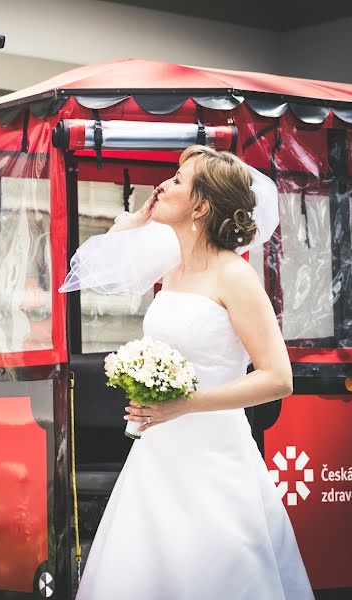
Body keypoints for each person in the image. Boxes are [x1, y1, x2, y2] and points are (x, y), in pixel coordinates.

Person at [65, 145, 313, 599]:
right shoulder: (173, 270)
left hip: (215, 455)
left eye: (178, 180)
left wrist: (185, 404)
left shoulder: (235, 277)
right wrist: (139, 221)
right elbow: (101, 262)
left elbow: (279, 378)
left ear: (200, 205)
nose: (163, 185)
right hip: (159, 452)